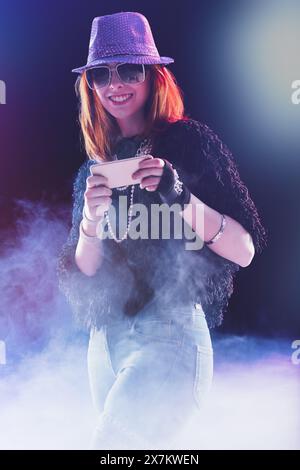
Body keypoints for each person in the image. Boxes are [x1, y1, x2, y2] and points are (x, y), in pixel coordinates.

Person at [56, 12, 268, 449]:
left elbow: (244, 250)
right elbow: (84, 273)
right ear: (89, 86)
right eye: (100, 73)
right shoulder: (93, 169)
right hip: (105, 344)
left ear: (154, 76)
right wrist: (90, 221)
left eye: (129, 69)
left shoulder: (191, 143)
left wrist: (181, 196)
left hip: (169, 336)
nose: (115, 84)